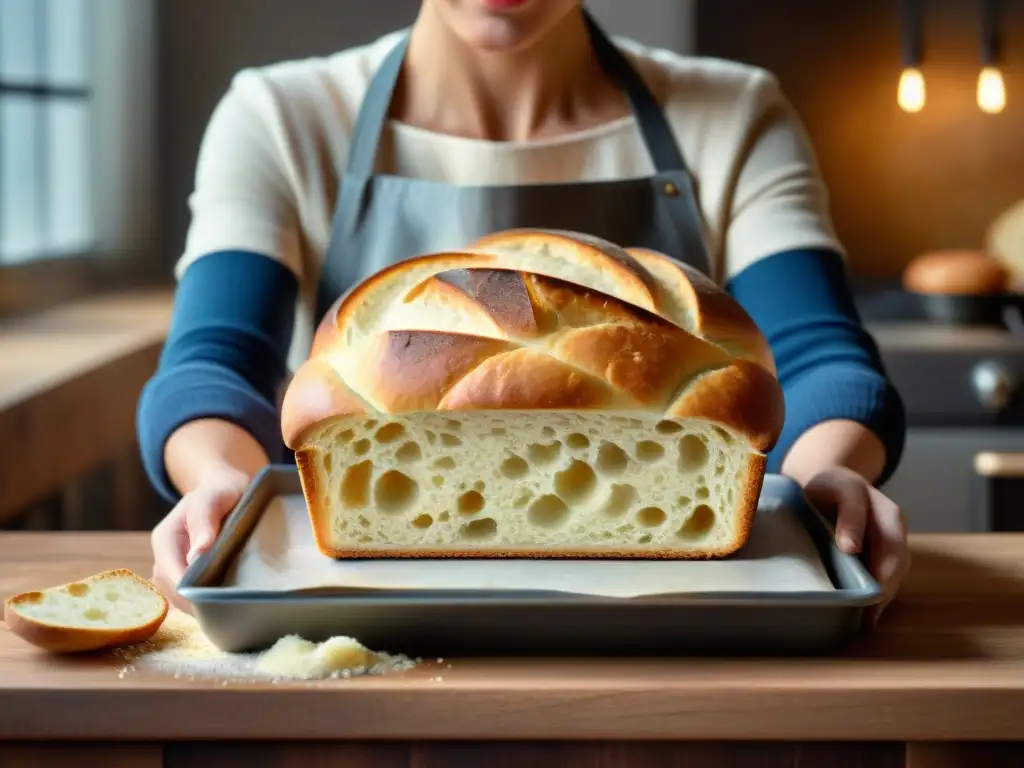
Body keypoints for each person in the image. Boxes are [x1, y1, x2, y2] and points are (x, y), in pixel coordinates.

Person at [138, 0, 908, 623]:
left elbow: (818, 359)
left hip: (678, 633)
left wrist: (824, 476)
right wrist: (221, 488)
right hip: (364, 626)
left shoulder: (735, 112)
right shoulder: (282, 115)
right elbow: (212, 364)